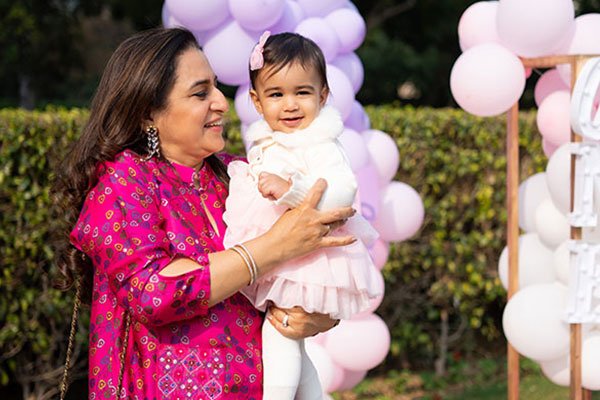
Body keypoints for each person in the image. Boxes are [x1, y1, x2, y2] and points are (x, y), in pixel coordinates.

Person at [53, 27, 356, 400]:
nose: (222, 102)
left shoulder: (240, 174)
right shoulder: (123, 182)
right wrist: (273, 247)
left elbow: (309, 260)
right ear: (149, 112)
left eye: (215, 86)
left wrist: (316, 317)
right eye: (201, 93)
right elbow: (155, 290)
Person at [222, 32, 381, 399]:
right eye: (276, 94)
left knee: (280, 332)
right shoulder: (267, 139)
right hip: (283, 250)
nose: (290, 105)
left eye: (303, 93)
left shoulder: (319, 141)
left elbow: (342, 192)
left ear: (323, 96)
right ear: (256, 101)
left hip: (311, 257)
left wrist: (291, 190)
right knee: (289, 339)